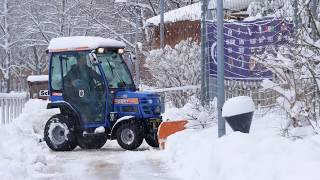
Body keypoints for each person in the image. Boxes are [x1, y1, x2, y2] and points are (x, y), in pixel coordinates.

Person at [63, 54, 104, 124]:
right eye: (82, 59)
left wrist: (105, 80)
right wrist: (72, 84)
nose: (84, 61)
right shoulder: (73, 71)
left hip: (89, 93)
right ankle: (91, 122)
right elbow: (65, 82)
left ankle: (101, 118)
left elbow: (97, 77)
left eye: (85, 59)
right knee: (89, 105)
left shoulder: (88, 70)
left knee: (101, 98)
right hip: (77, 96)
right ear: (78, 61)